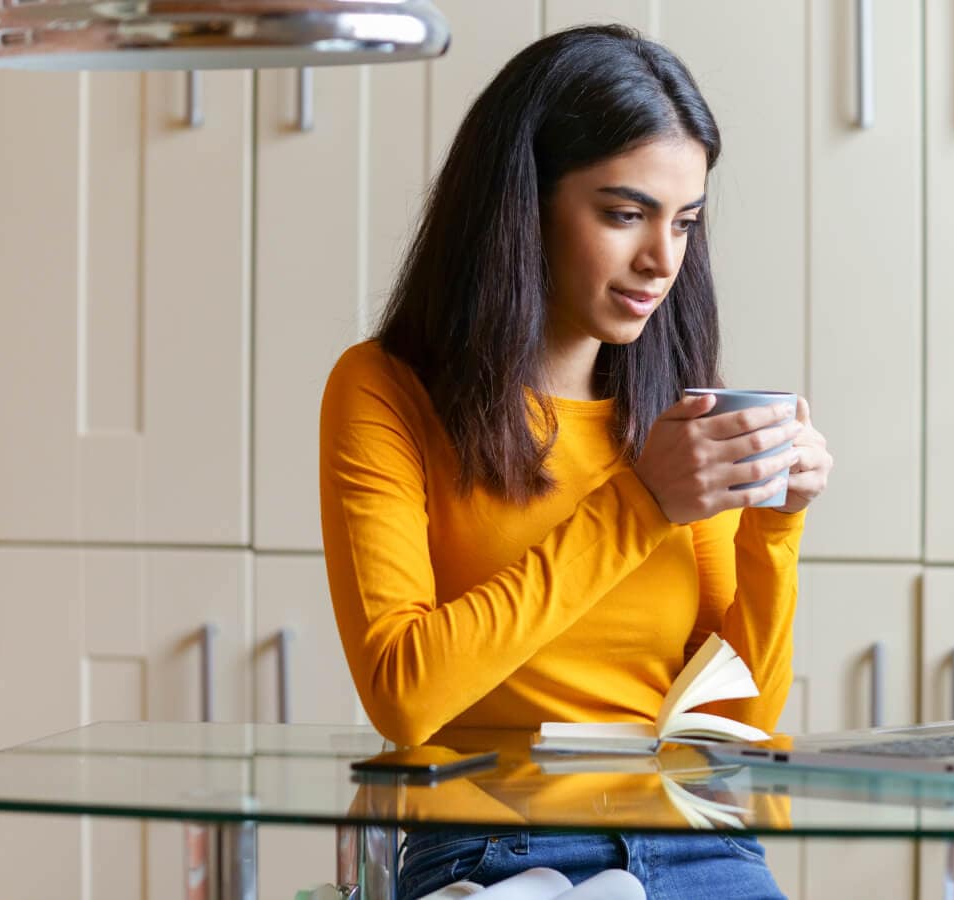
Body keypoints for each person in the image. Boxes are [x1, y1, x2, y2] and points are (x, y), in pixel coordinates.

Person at [317, 23, 833, 900]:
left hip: (699, 842)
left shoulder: (677, 410)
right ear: (522, 202)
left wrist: (776, 529)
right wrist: (639, 503)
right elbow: (405, 695)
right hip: (496, 847)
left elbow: (734, 726)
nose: (662, 260)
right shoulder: (386, 389)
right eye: (624, 213)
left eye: (685, 222)